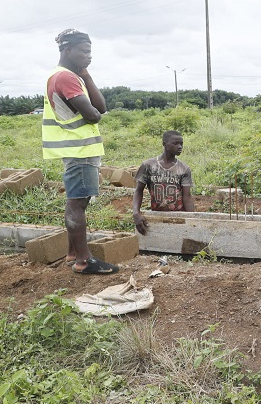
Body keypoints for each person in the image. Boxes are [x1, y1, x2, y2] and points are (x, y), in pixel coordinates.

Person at [43, 29, 118, 274]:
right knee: (77, 203)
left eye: (90, 52)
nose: (89, 56)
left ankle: (73, 253)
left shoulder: (71, 76)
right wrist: (81, 77)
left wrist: (85, 73)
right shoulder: (65, 77)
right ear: (68, 51)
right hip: (79, 149)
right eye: (84, 52)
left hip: (80, 149)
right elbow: (93, 114)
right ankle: (83, 261)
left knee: (78, 201)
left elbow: (101, 107)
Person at [133, 130, 195, 234]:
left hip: (178, 216)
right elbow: (138, 191)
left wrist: (192, 221)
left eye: (181, 144)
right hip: (157, 215)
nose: (179, 146)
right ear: (164, 144)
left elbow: (187, 197)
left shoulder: (183, 168)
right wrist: (136, 213)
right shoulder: (148, 166)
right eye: (175, 143)